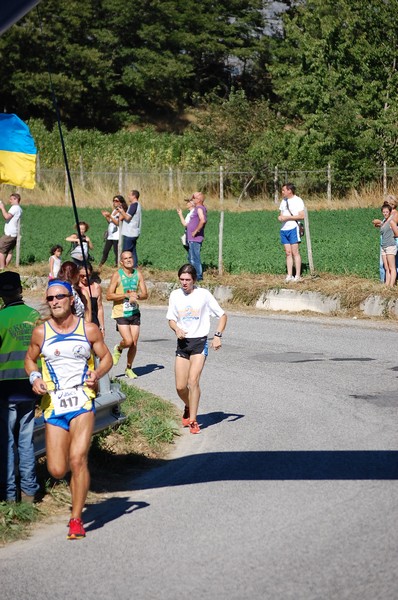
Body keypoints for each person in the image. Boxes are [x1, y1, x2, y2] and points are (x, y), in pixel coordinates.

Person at [24, 279, 112, 539]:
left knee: (77, 459)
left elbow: (105, 357)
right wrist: (34, 378)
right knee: (57, 470)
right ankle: (76, 487)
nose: (55, 302)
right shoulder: (41, 332)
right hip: (53, 405)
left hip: (82, 401)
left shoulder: (89, 329)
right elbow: (29, 359)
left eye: (59, 296)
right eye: (50, 298)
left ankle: (76, 519)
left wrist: (96, 373)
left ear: (71, 299)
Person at [166, 263, 227, 434]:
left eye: (187, 280)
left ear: (194, 280)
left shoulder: (203, 295)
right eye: (181, 280)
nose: (184, 283)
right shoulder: (175, 295)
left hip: (199, 342)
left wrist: (217, 336)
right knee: (180, 387)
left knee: (193, 381)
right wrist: (176, 328)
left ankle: (193, 420)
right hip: (183, 344)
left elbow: (222, 315)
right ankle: (188, 404)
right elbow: (171, 318)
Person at [0, 271, 41, 503]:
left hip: (5, 389)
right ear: (20, 289)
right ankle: (29, 492)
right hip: (30, 386)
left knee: (6, 442)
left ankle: (8, 494)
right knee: (25, 440)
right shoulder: (34, 316)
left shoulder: (0, 318)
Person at [106, 250, 148, 379]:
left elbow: (145, 294)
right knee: (128, 341)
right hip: (121, 312)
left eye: (130, 257)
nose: (129, 260)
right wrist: (125, 295)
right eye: (126, 258)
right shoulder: (117, 275)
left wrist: (137, 296)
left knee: (134, 343)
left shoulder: (138, 274)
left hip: (134, 312)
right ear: (121, 262)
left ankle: (129, 368)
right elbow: (108, 296)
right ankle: (119, 347)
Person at [278, 182, 305, 282]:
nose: (282, 192)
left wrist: (288, 217)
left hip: (293, 228)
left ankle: (297, 275)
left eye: (283, 190)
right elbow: (281, 214)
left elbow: (302, 216)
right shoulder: (283, 201)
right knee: (288, 253)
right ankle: (289, 275)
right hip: (284, 229)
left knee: (295, 252)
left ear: (289, 191)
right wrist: (280, 218)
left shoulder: (298, 200)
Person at [98, 195, 127, 269]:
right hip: (110, 235)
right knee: (105, 251)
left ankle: (118, 266)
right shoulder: (114, 210)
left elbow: (118, 223)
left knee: (116, 252)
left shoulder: (121, 211)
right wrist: (107, 217)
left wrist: (110, 216)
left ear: (121, 202)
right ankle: (100, 265)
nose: (114, 202)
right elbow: (110, 222)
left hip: (117, 236)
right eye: (114, 201)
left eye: (116, 201)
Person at [186, 191, 207, 281]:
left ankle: (198, 276)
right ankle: (193, 275)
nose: (192, 199)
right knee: (191, 257)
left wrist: (195, 231)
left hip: (195, 237)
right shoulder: (199, 208)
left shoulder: (199, 208)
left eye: (193, 198)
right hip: (192, 238)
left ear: (198, 199)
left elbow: (203, 220)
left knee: (195, 258)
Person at [78, 264, 105, 335]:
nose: (85, 278)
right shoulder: (75, 287)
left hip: (94, 324)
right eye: (82, 276)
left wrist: (102, 327)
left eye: (88, 275)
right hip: (79, 324)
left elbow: (99, 308)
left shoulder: (96, 287)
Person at [119, 190, 142, 267]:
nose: (128, 196)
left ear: (134, 196)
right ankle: (134, 267)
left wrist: (121, 211)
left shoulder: (133, 205)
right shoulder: (136, 205)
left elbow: (128, 217)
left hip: (130, 233)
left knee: (126, 252)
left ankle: (125, 268)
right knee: (132, 251)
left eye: (130, 195)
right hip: (134, 232)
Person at [377, 203, 398, 286]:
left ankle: (391, 285)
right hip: (383, 246)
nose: (385, 213)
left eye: (387, 212)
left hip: (390, 246)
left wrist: (391, 237)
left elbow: (397, 233)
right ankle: (386, 284)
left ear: (390, 212)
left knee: (392, 267)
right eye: (384, 212)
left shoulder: (391, 222)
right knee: (386, 267)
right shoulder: (384, 222)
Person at [0, 193, 22, 269]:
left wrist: (2, 208)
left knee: (0, 250)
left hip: (9, 233)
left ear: (16, 199)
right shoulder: (19, 208)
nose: (10, 201)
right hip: (14, 234)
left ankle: (2, 268)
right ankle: (5, 266)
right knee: (9, 251)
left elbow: (6, 216)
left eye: (11, 199)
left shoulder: (14, 208)